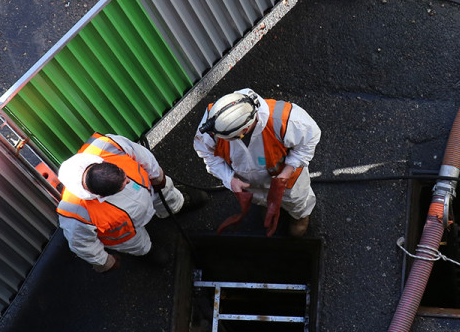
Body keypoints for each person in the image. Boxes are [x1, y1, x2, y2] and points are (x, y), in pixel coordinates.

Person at [193, 88, 320, 237]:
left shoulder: (286, 119)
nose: (220, 140)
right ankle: (268, 205)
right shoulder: (213, 122)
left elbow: (309, 140)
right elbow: (207, 154)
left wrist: (287, 172)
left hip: (288, 180)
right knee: (261, 200)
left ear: (244, 129)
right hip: (247, 181)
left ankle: (300, 218)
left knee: (296, 201)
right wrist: (230, 179)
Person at [57, 132, 189, 272]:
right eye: (123, 186)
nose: (128, 181)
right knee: (137, 244)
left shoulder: (107, 145)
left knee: (166, 193)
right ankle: (146, 251)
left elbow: (143, 156)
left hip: (149, 190)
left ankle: (175, 206)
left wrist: (158, 177)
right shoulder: (74, 211)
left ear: (105, 163)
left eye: (124, 176)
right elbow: (82, 243)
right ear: (101, 196)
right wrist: (106, 262)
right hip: (127, 234)